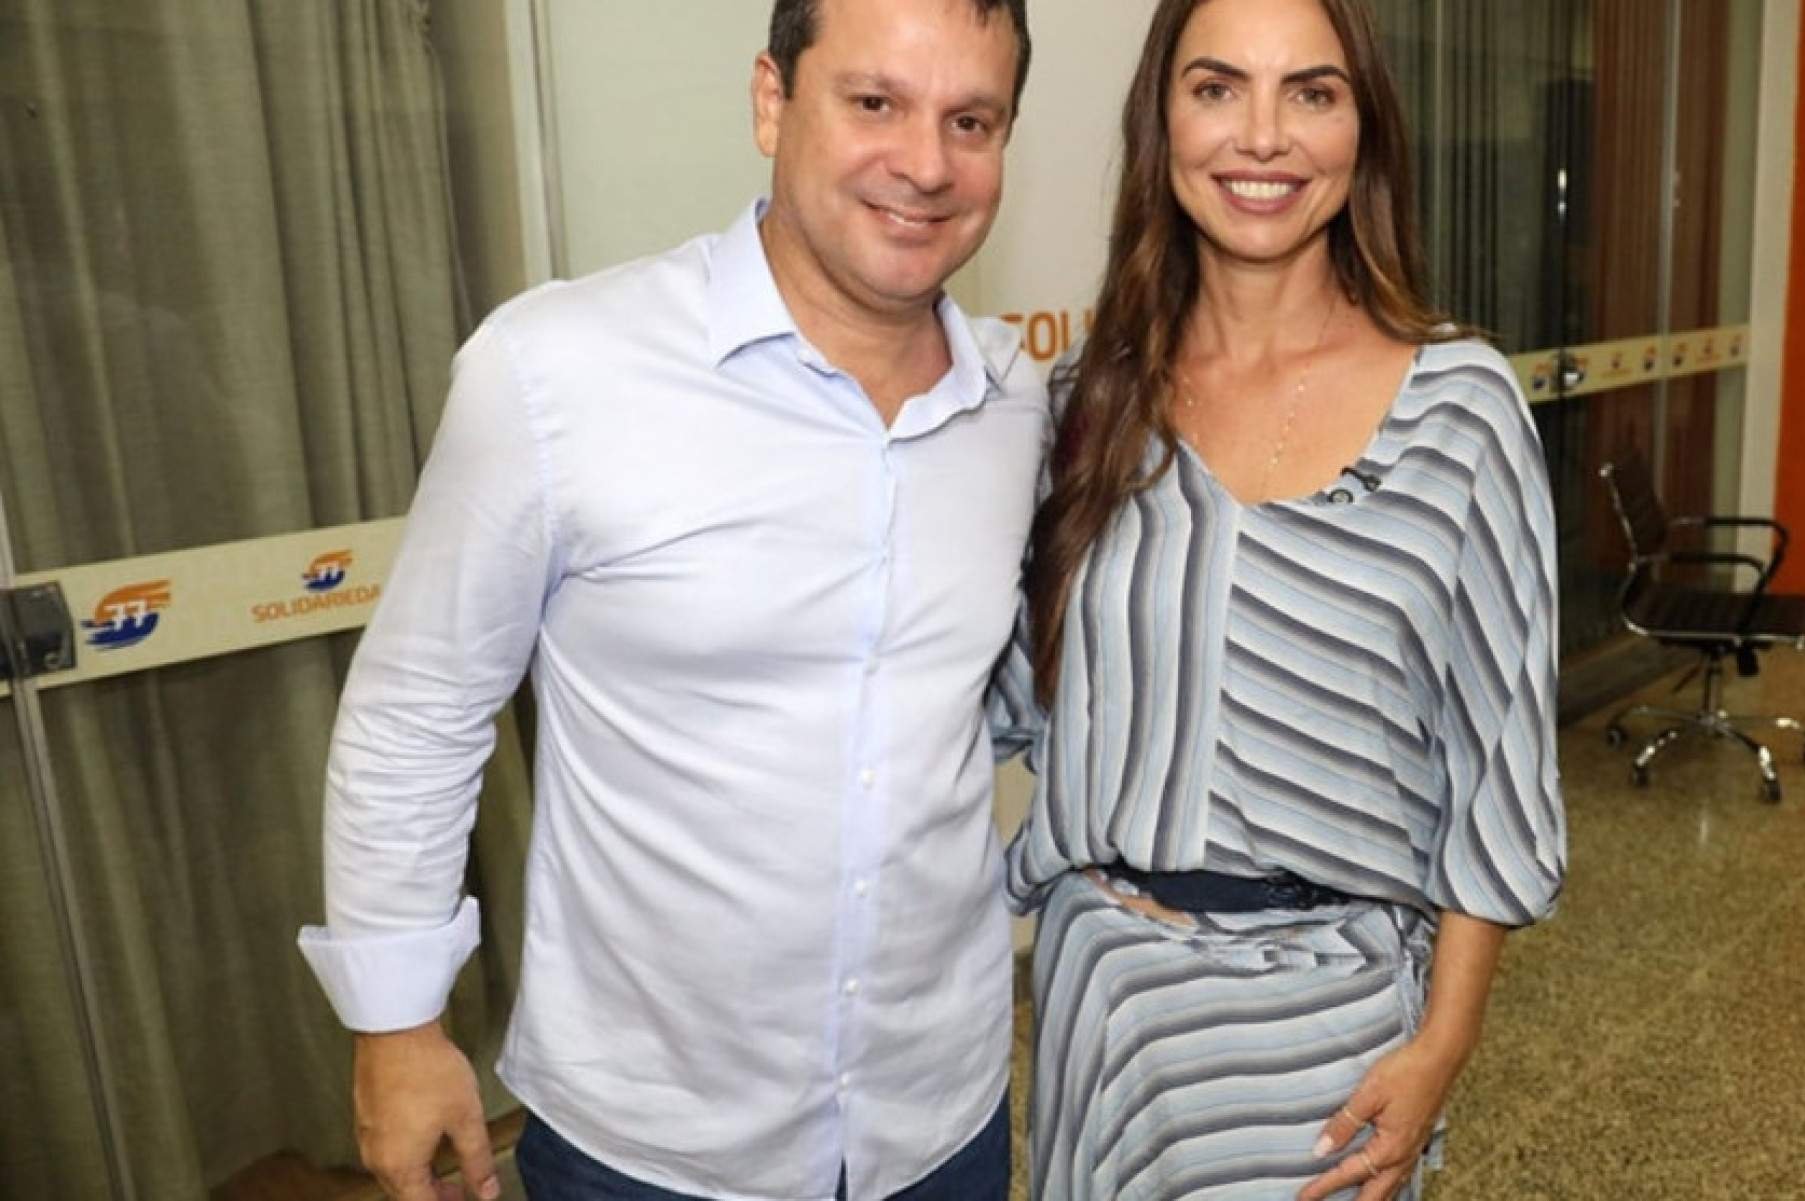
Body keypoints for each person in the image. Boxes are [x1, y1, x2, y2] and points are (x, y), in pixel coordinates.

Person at [295, 2, 1041, 1199]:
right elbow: (418, 709)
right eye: (874, 103)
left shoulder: (1015, 407)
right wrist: (396, 1023)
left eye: (972, 121)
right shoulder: (556, 372)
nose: (926, 163)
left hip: (940, 1115)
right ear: (771, 101)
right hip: (652, 1144)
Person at [992, 0, 1566, 1197]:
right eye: (1217, 88)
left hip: (1327, 1045)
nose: (1263, 136)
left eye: (1311, 92)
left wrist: (1444, 1044)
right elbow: (1001, 698)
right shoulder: (1088, 405)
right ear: (1162, 121)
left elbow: (1499, 763)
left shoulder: (1459, 411)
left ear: (1365, 130)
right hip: (1109, 1018)